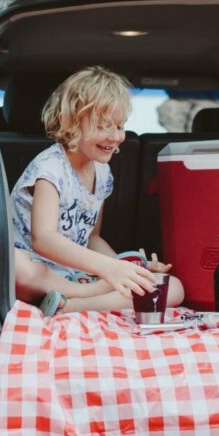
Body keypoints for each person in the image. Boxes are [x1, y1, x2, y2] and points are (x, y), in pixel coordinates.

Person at [11, 66, 185, 315]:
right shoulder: (49, 170)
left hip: (77, 274)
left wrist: (128, 267)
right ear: (71, 121)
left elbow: (92, 238)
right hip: (41, 271)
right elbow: (44, 239)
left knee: (174, 289)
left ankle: (71, 306)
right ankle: (83, 296)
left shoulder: (102, 173)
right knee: (17, 267)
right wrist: (107, 270)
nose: (115, 136)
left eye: (120, 125)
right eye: (103, 126)